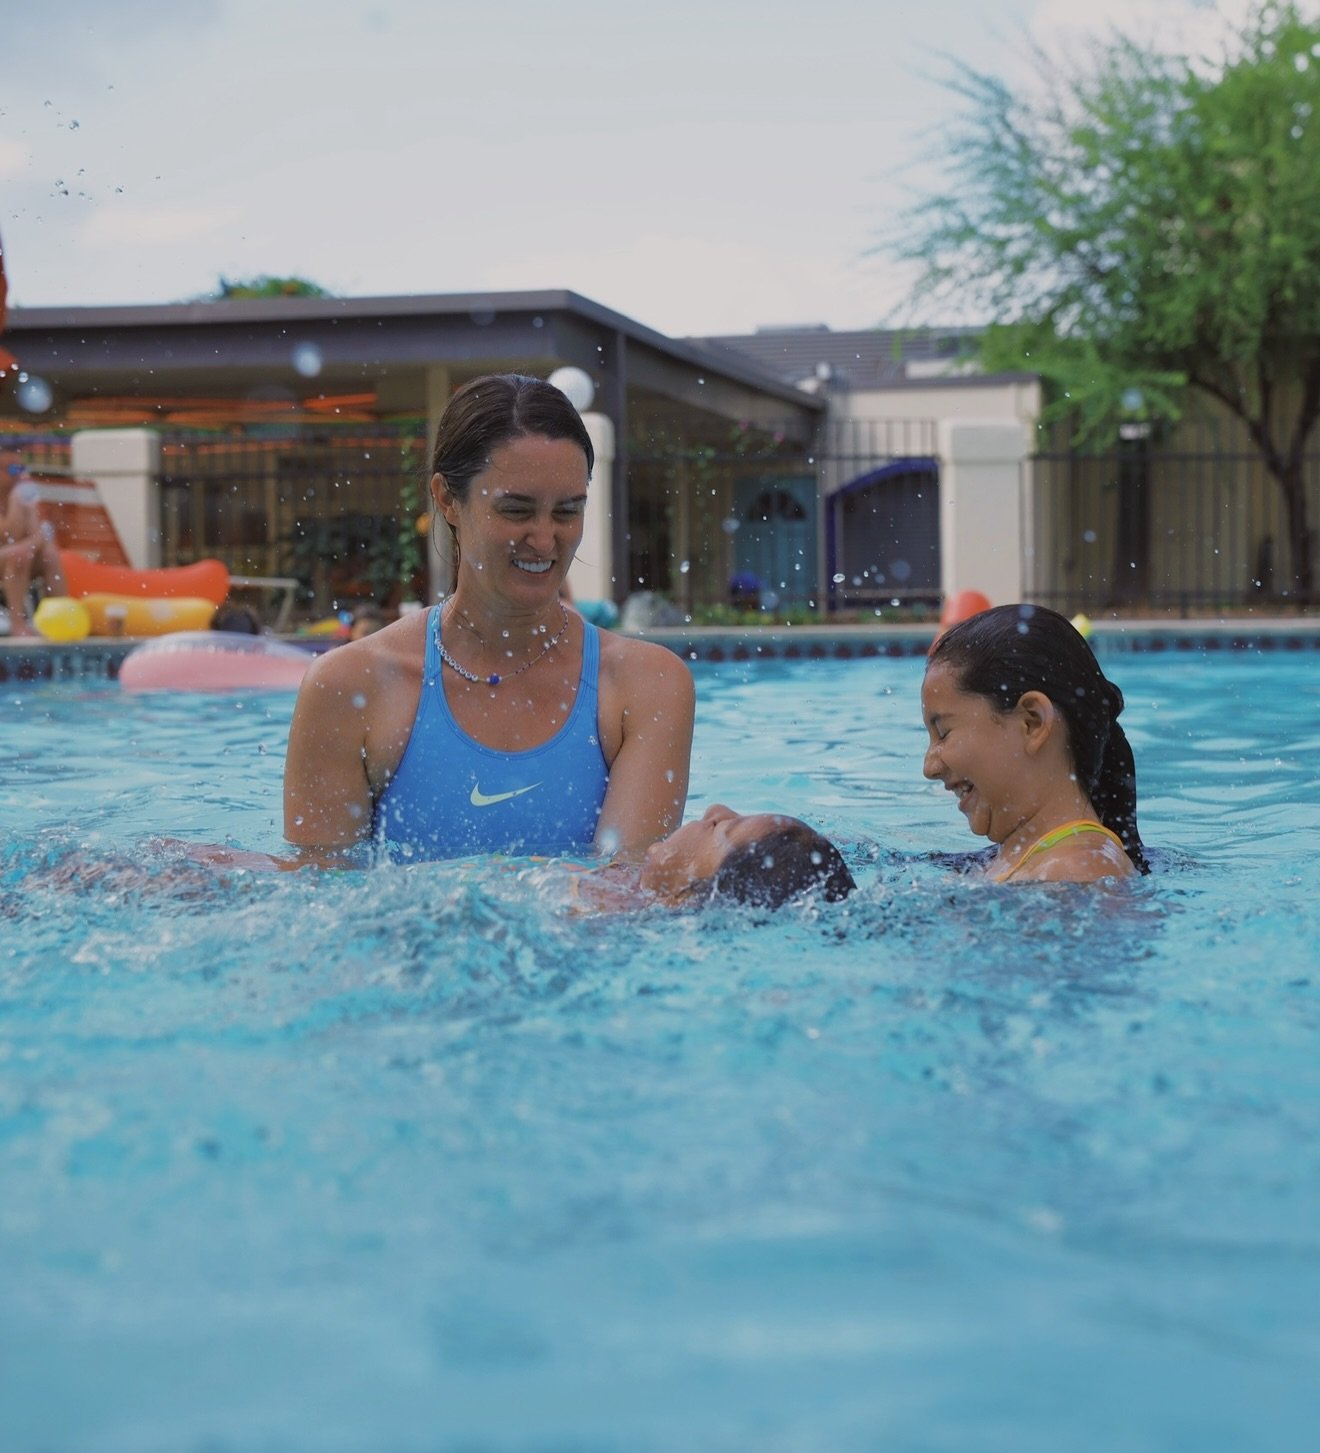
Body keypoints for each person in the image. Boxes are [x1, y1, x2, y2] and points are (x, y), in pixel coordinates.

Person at [283, 373, 695, 864]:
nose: (544, 540)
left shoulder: (646, 686)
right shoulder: (349, 687)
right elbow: (322, 891)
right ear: (447, 499)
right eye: (516, 510)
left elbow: (624, 896)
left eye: (567, 512)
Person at [921, 603, 1148, 884]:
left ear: (1032, 722)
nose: (929, 767)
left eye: (944, 733)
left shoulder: (1079, 870)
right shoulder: (1028, 860)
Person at [1, 450, 68, 637]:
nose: (18, 474)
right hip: (7, 557)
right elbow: (8, 534)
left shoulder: (22, 498)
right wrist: (15, 503)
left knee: (50, 556)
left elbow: (39, 535)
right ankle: (17, 623)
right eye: (12, 469)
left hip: (13, 558)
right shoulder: (17, 499)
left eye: (20, 468)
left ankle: (61, 616)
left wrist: (27, 546)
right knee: (18, 555)